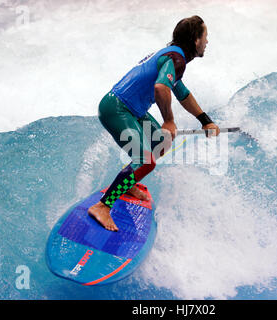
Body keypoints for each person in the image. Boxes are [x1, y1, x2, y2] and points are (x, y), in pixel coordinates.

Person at [88, 15, 220, 231]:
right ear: (196, 40)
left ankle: (127, 183)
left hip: (134, 111)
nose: (207, 42)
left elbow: (182, 93)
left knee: (161, 143)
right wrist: (169, 120)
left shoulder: (173, 57)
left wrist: (206, 121)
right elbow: (161, 88)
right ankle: (102, 207)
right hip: (117, 108)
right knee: (146, 160)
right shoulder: (175, 60)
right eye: (205, 37)